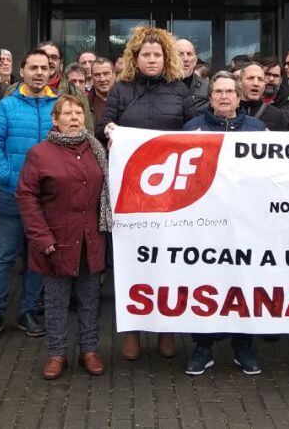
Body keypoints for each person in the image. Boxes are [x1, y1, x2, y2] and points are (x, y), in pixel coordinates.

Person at [98, 25, 191, 361]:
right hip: (131, 194)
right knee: (131, 262)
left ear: (166, 59)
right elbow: (101, 125)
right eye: (146, 54)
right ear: (135, 58)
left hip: (171, 196)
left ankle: (167, 330)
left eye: (157, 54)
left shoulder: (180, 91)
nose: (152, 59)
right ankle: (132, 331)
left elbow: (196, 132)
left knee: (168, 262)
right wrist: (107, 127)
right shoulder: (122, 91)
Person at [18, 95, 112, 380]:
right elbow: (27, 197)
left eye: (78, 113)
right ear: (54, 120)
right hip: (55, 240)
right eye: (67, 113)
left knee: (90, 298)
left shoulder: (98, 150)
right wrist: (41, 237)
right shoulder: (40, 153)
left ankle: (90, 350)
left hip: (91, 238)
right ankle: (57, 353)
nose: (74, 118)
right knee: (56, 300)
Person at [182, 72, 265, 375]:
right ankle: (203, 344)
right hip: (206, 222)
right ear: (211, 96)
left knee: (243, 282)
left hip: (246, 222)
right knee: (205, 282)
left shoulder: (258, 130)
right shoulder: (193, 128)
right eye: (218, 91)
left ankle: (244, 345)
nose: (224, 96)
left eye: (230, 91)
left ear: (239, 97)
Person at [0, 49, 58, 342]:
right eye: (33, 67)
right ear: (22, 71)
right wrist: (9, 177)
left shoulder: (59, 105)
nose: (39, 73)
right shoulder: (7, 106)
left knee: (38, 258)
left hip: (46, 199)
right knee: (3, 256)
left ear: (51, 73)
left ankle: (28, 311)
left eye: (45, 68)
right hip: (12, 195)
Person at [237, 63, 288, 131]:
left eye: (260, 79)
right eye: (250, 78)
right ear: (240, 82)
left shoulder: (277, 115)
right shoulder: (228, 112)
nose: (256, 83)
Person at [175, 38, 209, 115]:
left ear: (195, 60)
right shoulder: (161, 86)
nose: (186, 59)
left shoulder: (208, 88)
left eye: (189, 54)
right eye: (180, 54)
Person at [88, 57, 115, 124]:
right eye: (97, 75)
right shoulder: (86, 105)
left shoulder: (127, 100)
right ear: (92, 78)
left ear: (114, 75)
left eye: (106, 74)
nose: (102, 79)